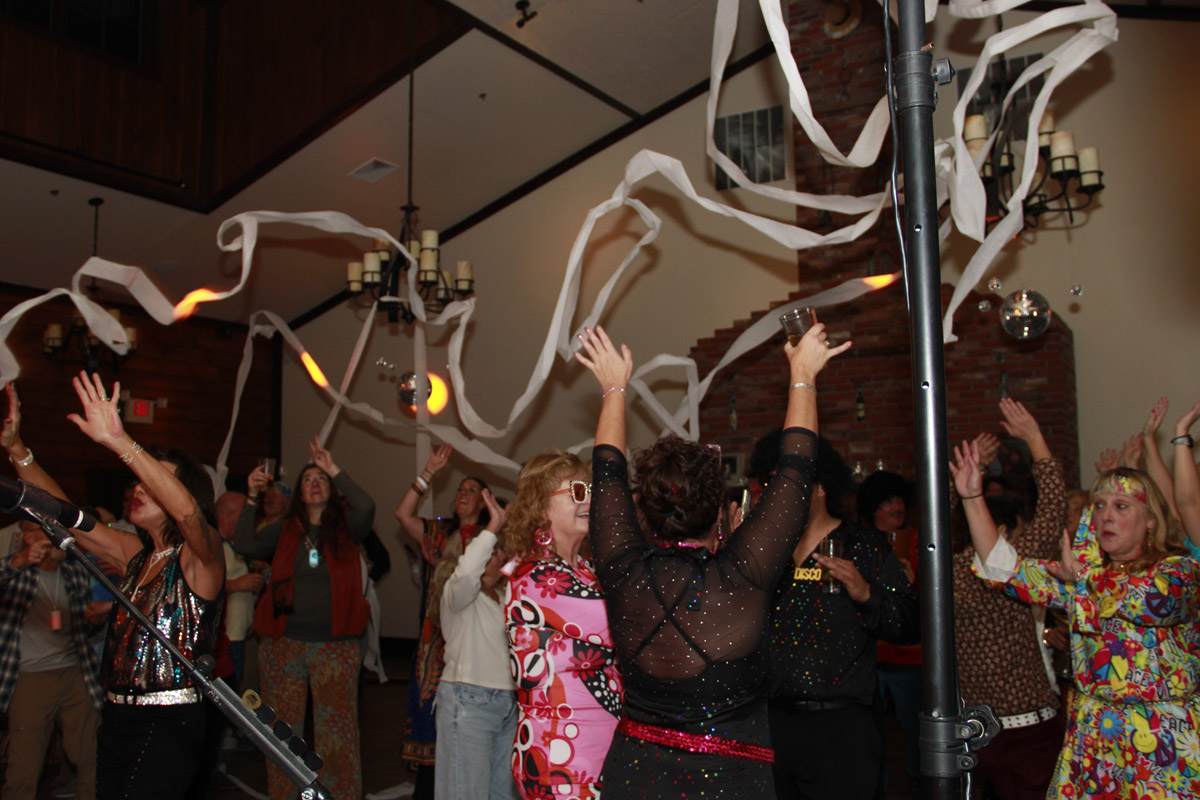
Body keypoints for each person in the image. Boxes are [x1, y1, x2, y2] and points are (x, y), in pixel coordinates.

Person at [574, 322, 849, 798]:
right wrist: (803, 374)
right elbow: (797, 472)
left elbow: (608, 473)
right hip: (729, 783)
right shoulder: (743, 575)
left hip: (635, 778)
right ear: (720, 512)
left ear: (648, 512)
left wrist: (614, 388)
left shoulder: (621, 569)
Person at [13, 373, 225, 799]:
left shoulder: (202, 556)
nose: (139, 489)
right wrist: (18, 451)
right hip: (114, 715)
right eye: (139, 482)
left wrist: (119, 441)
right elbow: (62, 512)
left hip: (170, 721)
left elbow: (187, 514)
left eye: (153, 481)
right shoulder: (135, 554)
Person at [951, 442, 1200, 798]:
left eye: (1121, 506)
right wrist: (972, 498)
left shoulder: (1180, 570)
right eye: (1098, 505)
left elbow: (1154, 601)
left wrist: (1082, 578)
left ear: (1151, 520)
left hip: (1161, 741)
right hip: (1096, 737)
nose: (1105, 516)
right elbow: (1002, 569)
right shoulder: (1078, 577)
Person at [767, 436, 919, 800]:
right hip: (772, 724)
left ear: (819, 488)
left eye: (786, 483)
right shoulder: (768, 548)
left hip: (841, 725)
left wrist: (866, 594)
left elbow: (909, 625)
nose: (777, 495)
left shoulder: (863, 546)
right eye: (772, 485)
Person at [234, 438, 375, 800]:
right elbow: (246, 545)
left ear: (332, 488)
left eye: (322, 479)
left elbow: (367, 505)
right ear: (298, 491)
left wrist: (333, 468)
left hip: (336, 648)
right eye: (308, 478)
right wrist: (251, 496)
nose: (315, 483)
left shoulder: (347, 527)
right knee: (282, 731)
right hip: (283, 646)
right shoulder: (286, 528)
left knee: (337, 734)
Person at [951, 398, 1065, 800]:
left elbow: (935, 524)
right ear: (1001, 531)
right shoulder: (1016, 571)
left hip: (976, 727)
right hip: (1030, 727)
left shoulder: (947, 572)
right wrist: (1035, 439)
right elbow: (1053, 509)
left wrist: (967, 484)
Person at [0, 388, 103, 800]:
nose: (45, 537)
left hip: (74, 671)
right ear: (23, 534)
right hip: (29, 675)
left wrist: (95, 615)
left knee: (91, 754)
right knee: (25, 765)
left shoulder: (71, 569)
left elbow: (84, 612)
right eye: (36, 530)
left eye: (48, 529)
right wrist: (19, 561)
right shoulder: (15, 565)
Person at [501, 449, 621, 800]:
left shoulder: (584, 570)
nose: (589, 500)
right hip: (560, 759)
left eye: (591, 491)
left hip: (597, 754)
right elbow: (625, 623)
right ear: (540, 507)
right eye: (577, 491)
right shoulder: (537, 577)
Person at [394, 444, 491, 796]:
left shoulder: (491, 540)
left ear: (484, 502)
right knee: (430, 716)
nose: (462, 494)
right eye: (460, 489)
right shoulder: (438, 533)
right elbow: (403, 513)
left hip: (477, 640)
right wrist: (429, 472)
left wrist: (442, 566)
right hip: (436, 640)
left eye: (471, 490)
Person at [433, 489, 518, 800]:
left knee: (502, 794)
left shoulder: (504, 597)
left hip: (508, 705)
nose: (501, 557)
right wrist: (493, 525)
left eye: (501, 552)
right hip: (468, 702)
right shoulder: (459, 597)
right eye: (494, 552)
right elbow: (468, 572)